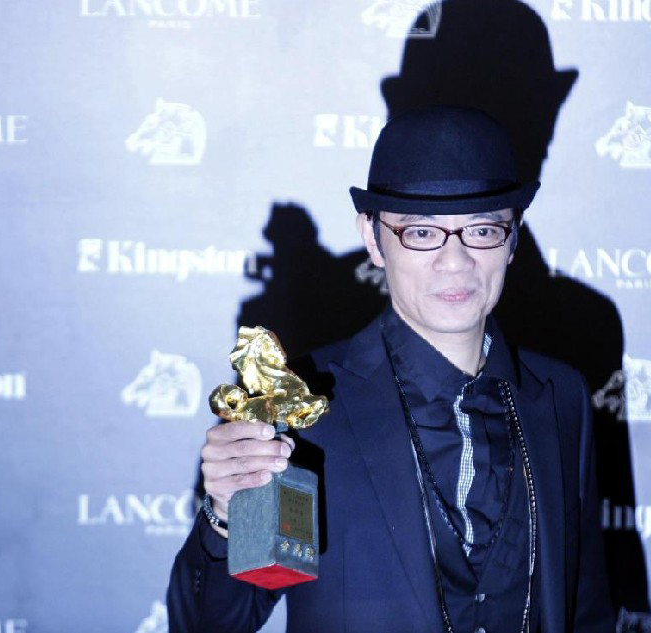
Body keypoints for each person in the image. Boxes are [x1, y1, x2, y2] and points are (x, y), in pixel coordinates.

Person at [166, 106, 615, 633]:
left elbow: (587, 612)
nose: (456, 261)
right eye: (422, 233)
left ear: (512, 238)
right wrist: (224, 519)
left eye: (482, 230)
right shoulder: (303, 409)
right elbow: (214, 625)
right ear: (374, 238)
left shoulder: (560, 396)